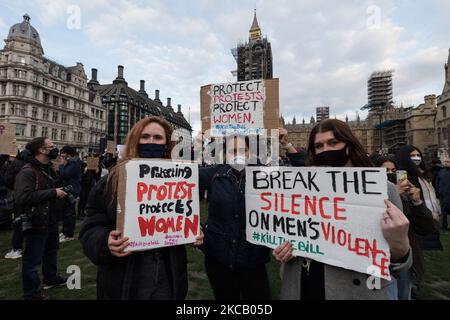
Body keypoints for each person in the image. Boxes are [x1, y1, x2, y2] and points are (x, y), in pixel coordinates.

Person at [273, 119, 412, 300]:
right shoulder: (299, 188)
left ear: (349, 145)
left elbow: (397, 266)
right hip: (301, 284)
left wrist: (400, 243)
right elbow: (288, 232)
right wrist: (282, 248)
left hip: (353, 289)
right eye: (318, 146)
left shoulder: (382, 190)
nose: (326, 150)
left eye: (333, 143)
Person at [79, 117, 203, 300]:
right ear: (136, 140)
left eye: (157, 138)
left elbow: (182, 215)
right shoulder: (112, 180)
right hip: (125, 281)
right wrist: (105, 242)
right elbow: (90, 226)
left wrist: (191, 231)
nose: (151, 141)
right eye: (145, 136)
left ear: (167, 143)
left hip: (167, 281)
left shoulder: (180, 179)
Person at [198, 134, 272, 300]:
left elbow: (303, 174)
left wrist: (287, 144)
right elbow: (180, 176)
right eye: (233, 151)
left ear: (249, 152)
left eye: (243, 150)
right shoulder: (214, 173)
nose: (238, 154)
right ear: (225, 154)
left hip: (253, 258)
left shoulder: (264, 174)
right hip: (218, 257)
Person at [372, 155, 437, 300]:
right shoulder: (372, 196)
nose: (390, 173)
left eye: (394, 170)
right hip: (380, 261)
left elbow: (427, 228)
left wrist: (417, 202)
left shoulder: (408, 197)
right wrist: (393, 196)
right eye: (386, 171)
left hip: (405, 260)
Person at [15, 137, 69, 300]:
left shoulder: (49, 168)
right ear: (41, 150)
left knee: (51, 252)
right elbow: (23, 197)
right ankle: (31, 292)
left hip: (50, 220)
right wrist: (53, 192)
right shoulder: (28, 171)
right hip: (36, 222)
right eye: (51, 146)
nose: (55, 149)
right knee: (32, 260)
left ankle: (50, 277)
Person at [395, 145, 443, 250]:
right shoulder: (404, 177)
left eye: (418, 155)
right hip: (416, 221)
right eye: (412, 155)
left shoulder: (423, 175)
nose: (416, 158)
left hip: (429, 217)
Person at [4, 148, 33, 259]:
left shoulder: (16, 164)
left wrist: (16, 188)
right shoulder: (32, 163)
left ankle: (17, 248)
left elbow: (8, 180)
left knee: (19, 221)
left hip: (20, 196)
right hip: (31, 196)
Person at [58, 146, 83, 243]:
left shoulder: (74, 163)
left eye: (63, 153)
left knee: (69, 213)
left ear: (68, 154)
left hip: (72, 191)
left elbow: (65, 174)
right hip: (67, 189)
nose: (61, 155)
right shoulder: (70, 162)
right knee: (66, 213)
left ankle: (68, 234)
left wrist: (61, 166)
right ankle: (65, 232)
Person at [437, 158, 450, 230]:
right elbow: (437, 181)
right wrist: (438, 190)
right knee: (443, 211)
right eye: (445, 161)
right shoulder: (441, 171)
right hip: (442, 194)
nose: (446, 163)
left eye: (448, 162)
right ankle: (444, 226)